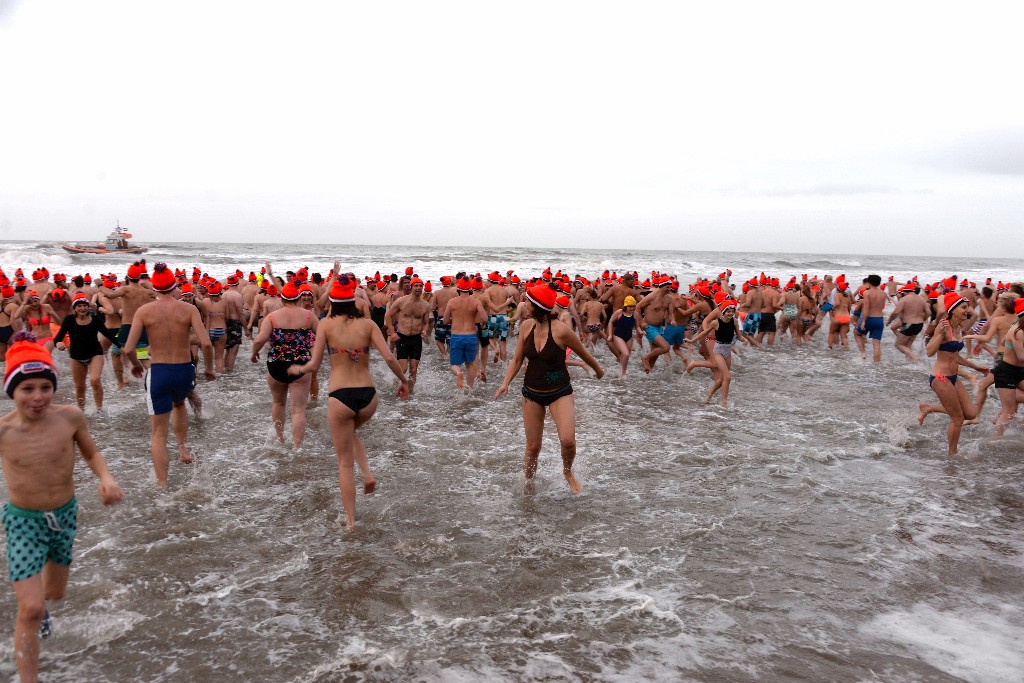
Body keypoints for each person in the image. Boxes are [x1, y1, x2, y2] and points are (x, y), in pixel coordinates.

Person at [0, 333, 123, 682]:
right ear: (12, 391)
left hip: (64, 516)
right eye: (27, 389)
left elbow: (91, 452)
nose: (37, 397)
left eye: (44, 387)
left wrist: (106, 478)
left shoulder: (69, 418)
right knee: (32, 607)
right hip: (23, 521)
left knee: (54, 594)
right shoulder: (4, 431)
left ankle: (39, 611)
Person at [288, 275, 408, 530]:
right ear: (353, 300)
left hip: (340, 396)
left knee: (343, 462)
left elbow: (315, 363)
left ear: (332, 300)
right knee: (351, 433)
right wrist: (403, 381)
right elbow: (388, 358)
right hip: (369, 396)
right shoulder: (368, 325)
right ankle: (367, 473)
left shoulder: (325, 325)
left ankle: (351, 521)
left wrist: (299, 370)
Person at [495, 283, 604, 494]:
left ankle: (567, 471)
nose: (523, 305)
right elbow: (517, 358)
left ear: (536, 307)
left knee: (568, 441)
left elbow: (584, 354)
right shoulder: (526, 326)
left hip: (559, 392)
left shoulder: (562, 331)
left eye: (527, 302)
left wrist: (599, 371)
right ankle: (528, 484)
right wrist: (505, 382)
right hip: (531, 393)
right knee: (533, 448)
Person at [122, 264, 215, 487]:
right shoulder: (188, 309)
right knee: (180, 405)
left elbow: (127, 349)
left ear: (154, 287)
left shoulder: (144, 311)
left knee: (158, 435)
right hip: (184, 370)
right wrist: (209, 368)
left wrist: (135, 364)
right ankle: (183, 449)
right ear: (174, 286)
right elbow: (206, 343)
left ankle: (163, 485)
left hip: (160, 370)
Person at [917, 293, 988, 455]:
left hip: (953, 377)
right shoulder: (943, 326)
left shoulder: (958, 329)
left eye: (967, 307)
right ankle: (952, 456)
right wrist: (940, 335)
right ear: (952, 309)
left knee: (971, 413)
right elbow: (929, 352)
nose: (967, 311)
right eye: (963, 308)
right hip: (940, 378)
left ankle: (929, 407)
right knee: (957, 418)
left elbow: (956, 357)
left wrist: (976, 367)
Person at [251, 280, 317, 449]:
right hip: (301, 365)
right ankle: (297, 447)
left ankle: (280, 440)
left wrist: (254, 353)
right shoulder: (309, 316)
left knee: (278, 403)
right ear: (298, 298)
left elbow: (259, 339)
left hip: (276, 365)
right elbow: (322, 336)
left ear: (281, 298)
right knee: (298, 410)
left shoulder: (272, 317)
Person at [53, 293, 121, 413]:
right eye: (79, 306)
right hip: (76, 356)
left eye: (84, 305)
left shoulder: (95, 319)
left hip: (95, 353)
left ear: (87, 306)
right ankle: (81, 411)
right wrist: (58, 344)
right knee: (80, 387)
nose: (82, 308)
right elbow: (58, 338)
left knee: (95, 380)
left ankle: (99, 409)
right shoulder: (69, 320)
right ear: (74, 308)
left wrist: (121, 346)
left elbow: (107, 333)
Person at [685, 298, 757, 406]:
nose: (731, 313)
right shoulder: (716, 323)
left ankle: (709, 395)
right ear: (723, 311)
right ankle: (724, 402)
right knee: (728, 377)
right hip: (718, 350)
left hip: (727, 351)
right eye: (728, 311)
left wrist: (744, 340)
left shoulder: (735, 321)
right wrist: (691, 340)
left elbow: (739, 336)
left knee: (722, 379)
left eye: (732, 311)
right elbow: (704, 332)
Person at [443, 277, 487, 390]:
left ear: (459, 288)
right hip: (471, 336)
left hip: (456, 336)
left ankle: (458, 373)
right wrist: (482, 324)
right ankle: (470, 389)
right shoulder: (476, 302)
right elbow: (484, 318)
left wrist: (456, 319)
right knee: (470, 364)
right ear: (470, 289)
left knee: (454, 365)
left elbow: (445, 320)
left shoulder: (452, 302)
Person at [606, 295, 638, 377]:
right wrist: (610, 335)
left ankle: (621, 371)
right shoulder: (619, 313)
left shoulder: (635, 314)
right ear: (625, 306)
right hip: (618, 336)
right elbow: (610, 322)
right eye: (630, 306)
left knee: (625, 356)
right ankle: (622, 374)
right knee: (626, 354)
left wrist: (641, 332)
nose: (632, 308)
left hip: (629, 337)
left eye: (633, 306)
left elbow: (637, 326)